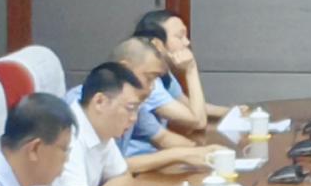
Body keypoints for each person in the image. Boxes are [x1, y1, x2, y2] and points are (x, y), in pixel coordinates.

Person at [52, 62, 183, 186]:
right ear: (100, 102)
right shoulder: (68, 132)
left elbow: (124, 178)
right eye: (130, 108)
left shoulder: (101, 128)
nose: (134, 118)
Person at [71, 37, 211, 161]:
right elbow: (115, 168)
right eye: (149, 78)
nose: (152, 87)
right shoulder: (79, 105)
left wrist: (202, 152)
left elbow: (162, 138)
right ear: (125, 68)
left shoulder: (135, 105)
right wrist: (180, 155)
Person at [133, 9, 227, 130]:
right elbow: (198, 122)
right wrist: (191, 70)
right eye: (180, 36)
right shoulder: (146, 81)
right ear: (157, 44)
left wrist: (232, 111)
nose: (187, 42)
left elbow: (188, 106)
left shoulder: (164, 74)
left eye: (186, 36)